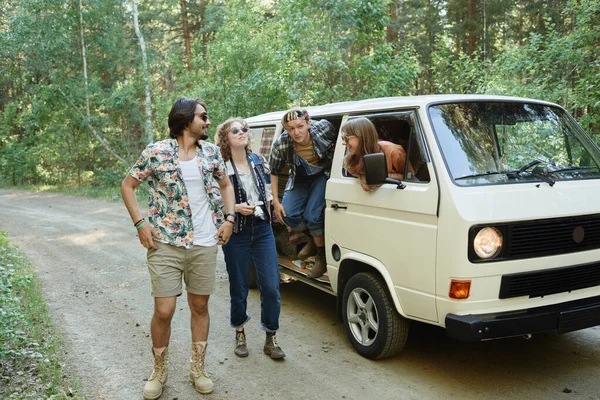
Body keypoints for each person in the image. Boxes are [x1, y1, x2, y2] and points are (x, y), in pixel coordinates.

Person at [120, 97, 235, 399]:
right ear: (186, 120)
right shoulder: (155, 152)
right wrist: (140, 223)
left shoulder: (211, 153)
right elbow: (127, 186)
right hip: (165, 242)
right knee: (164, 309)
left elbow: (225, 186)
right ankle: (159, 370)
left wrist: (230, 218)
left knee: (199, 306)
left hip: (205, 242)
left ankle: (198, 368)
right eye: (203, 117)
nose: (208, 122)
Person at [216, 117, 285, 360]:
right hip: (236, 231)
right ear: (226, 137)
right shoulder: (220, 165)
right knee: (240, 285)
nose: (242, 133)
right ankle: (240, 333)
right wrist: (234, 207)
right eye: (235, 130)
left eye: (244, 129)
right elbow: (213, 199)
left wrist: (272, 205)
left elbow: (267, 190)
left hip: (261, 227)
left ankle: (271, 337)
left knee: (271, 287)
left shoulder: (259, 160)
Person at [268, 107, 335, 279]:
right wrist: (276, 201)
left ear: (308, 123)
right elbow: (273, 171)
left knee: (313, 216)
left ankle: (321, 255)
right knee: (287, 214)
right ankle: (313, 239)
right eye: (291, 129)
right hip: (299, 177)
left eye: (300, 126)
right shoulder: (282, 143)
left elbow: (343, 139)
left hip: (322, 174)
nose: (296, 132)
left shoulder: (323, 129)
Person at [342, 117, 413, 191]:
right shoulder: (352, 158)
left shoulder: (393, 151)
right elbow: (353, 172)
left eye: (347, 138)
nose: (343, 142)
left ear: (362, 137)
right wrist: (362, 176)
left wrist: (380, 177)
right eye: (343, 138)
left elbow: (410, 176)